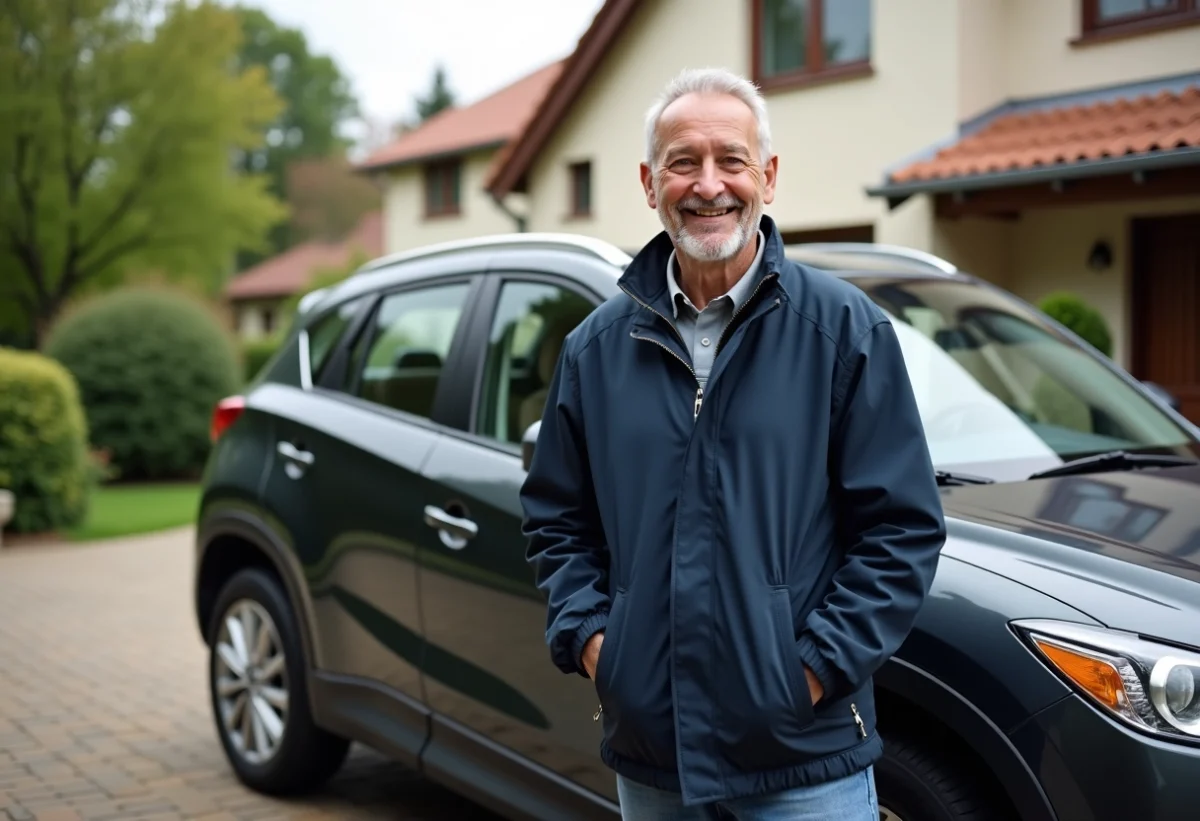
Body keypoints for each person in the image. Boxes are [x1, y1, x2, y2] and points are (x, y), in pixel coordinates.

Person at [519, 67, 947, 820]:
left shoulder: (845, 332)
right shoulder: (595, 350)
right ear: (650, 184)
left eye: (731, 160)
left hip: (804, 761)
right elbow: (557, 519)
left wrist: (808, 673)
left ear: (768, 177)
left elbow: (900, 529)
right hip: (654, 763)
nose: (708, 184)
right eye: (684, 161)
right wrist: (596, 643)